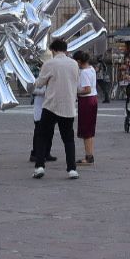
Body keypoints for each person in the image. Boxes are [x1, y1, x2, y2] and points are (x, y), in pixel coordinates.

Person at [31, 38, 80, 179]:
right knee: (68, 139)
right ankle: (72, 169)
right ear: (65, 49)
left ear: (53, 50)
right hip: (68, 105)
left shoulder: (49, 63)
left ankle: (40, 166)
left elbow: (39, 83)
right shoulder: (74, 64)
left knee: (42, 136)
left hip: (51, 105)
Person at [75, 50, 98, 165]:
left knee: (86, 130)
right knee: (90, 128)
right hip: (93, 98)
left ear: (79, 61)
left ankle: (89, 156)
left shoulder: (83, 73)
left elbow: (86, 89)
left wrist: (76, 92)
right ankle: (90, 153)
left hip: (86, 100)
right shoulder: (91, 69)